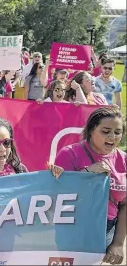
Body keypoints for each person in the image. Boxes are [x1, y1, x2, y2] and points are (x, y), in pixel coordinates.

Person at [54, 107, 126, 265]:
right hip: (73, 229)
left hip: (106, 231)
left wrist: (118, 243)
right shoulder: (69, 154)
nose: (112, 137)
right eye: (105, 131)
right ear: (91, 130)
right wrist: (86, 173)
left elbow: (125, 204)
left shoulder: (124, 160)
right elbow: (56, 193)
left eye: (118, 132)